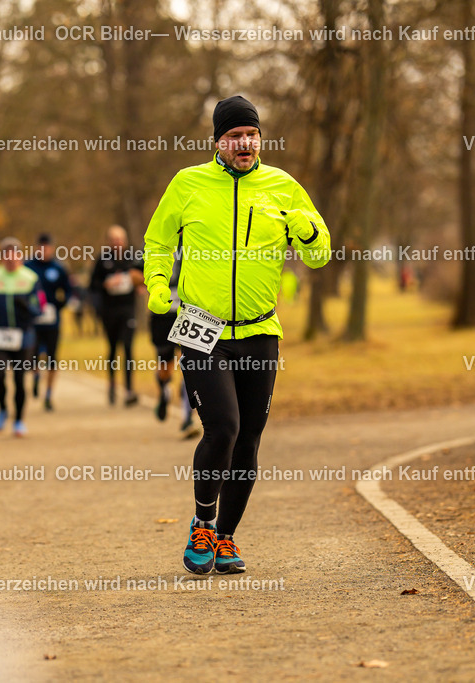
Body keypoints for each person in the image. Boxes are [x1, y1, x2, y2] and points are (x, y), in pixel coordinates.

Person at [144, 95, 331, 575]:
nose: (244, 143)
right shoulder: (188, 183)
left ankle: (226, 538)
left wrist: (307, 231)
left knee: (248, 438)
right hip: (202, 328)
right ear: (218, 142)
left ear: (260, 139)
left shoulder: (283, 186)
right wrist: (158, 283)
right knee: (222, 428)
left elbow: (320, 256)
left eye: (251, 135)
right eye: (234, 136)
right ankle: (203, 523)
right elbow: (158, 240)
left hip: (259, 330)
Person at [0, 237, 44, 436]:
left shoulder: (30, 278)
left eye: (15, 258)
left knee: (19, 378)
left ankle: (19, 420)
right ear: (1, 258)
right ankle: (2, 411)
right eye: (7, 258)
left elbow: (40, 305)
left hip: (23, 336)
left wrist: (29, 309)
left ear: (21, 258)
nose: (11, 261)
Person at [148, 247, 201, 438]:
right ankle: (164, 391)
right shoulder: (160, 243)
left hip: (188, 314)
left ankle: (188, 417)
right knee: (165, 368)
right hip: (162, 317)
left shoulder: (194, 242)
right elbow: (138, 273)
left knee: (189, 366)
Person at [89, 225, 143, 406]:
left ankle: (129, 389)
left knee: (128, 348)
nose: (117, 243)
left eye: (120, 239)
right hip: (109, 311)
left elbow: (145, 277)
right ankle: (112, 386)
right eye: (113, 239)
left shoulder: (134, 257)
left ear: (125, 240)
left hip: (128, 310)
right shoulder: (102, 259)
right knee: (112, 349)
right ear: (108, 241)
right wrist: (106, 284)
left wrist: (141, 285)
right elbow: (92, 285)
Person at [27, 233, 73, 411]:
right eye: (40, 247)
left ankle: (48, 395)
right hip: (33, 321)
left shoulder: (59, 268)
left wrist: (59, 305)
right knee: (33, 357)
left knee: (52, 359)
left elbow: (69, 291)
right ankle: (36, 376)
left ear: (52, 248)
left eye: (46, 247)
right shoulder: (28, 267)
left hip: (52, 320)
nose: (43, 250)